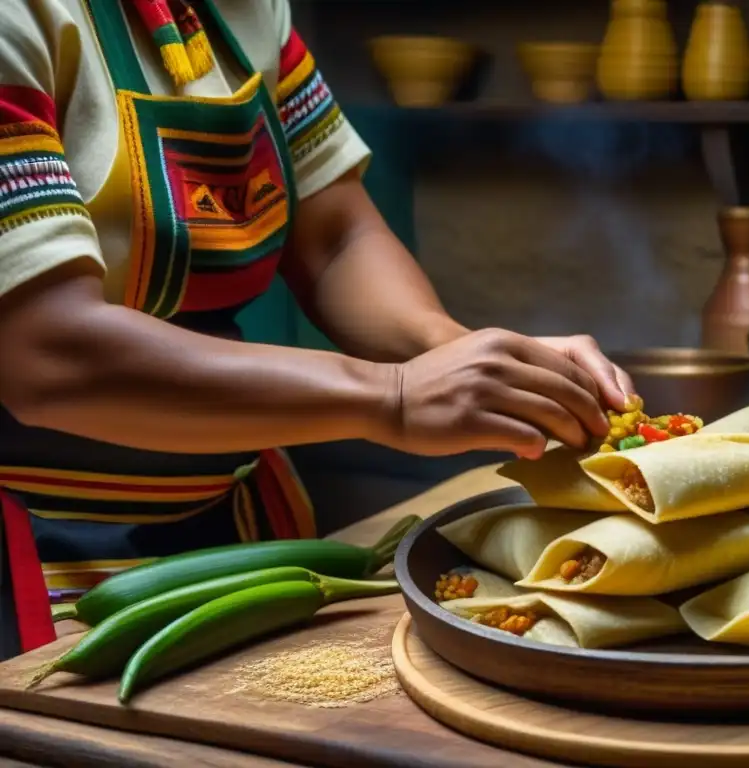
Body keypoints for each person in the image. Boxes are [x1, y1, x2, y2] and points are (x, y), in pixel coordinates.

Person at [0, 0, 635, 658]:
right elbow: (46, 353)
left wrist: (457, 356)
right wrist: (391, 395)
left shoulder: (245, 10)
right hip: (33, 542)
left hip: (236, 522)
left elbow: (334, 237)